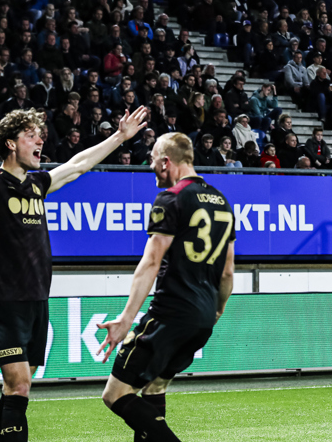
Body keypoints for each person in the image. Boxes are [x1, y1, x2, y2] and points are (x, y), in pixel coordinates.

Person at [0, 84, 148, 442]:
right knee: (18, 385)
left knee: (18, 387)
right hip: (4, 299)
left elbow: (78, 165)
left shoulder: (38, 184)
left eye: (41, 135)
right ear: (11, 144)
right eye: (31, 136)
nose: (40, 142)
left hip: (37, 298)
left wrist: (119, 138)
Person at [96, 131, 235, 442]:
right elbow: (227, 271)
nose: (150, 168)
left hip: (169, 315)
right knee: (155, 387)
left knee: (114, 395)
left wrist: (126, 318)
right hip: (202, 319)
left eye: (153, 161)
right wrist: (218, 308)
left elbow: (150, 262)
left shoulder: (171, 198)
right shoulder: (223, 203)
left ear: (166, 162)